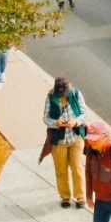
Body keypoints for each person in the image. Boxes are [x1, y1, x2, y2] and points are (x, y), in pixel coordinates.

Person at [42, 77, 88, 209]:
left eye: (64, 94)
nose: (62, 97)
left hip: (75, 137)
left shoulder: (76, 94)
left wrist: (75, 122)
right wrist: (55, 123)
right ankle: (65, 197)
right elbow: (46, 118)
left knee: (77, 167)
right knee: (61, 170)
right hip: (59, 139)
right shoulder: (50, 98)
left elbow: (84, 113)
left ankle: (80, 196)